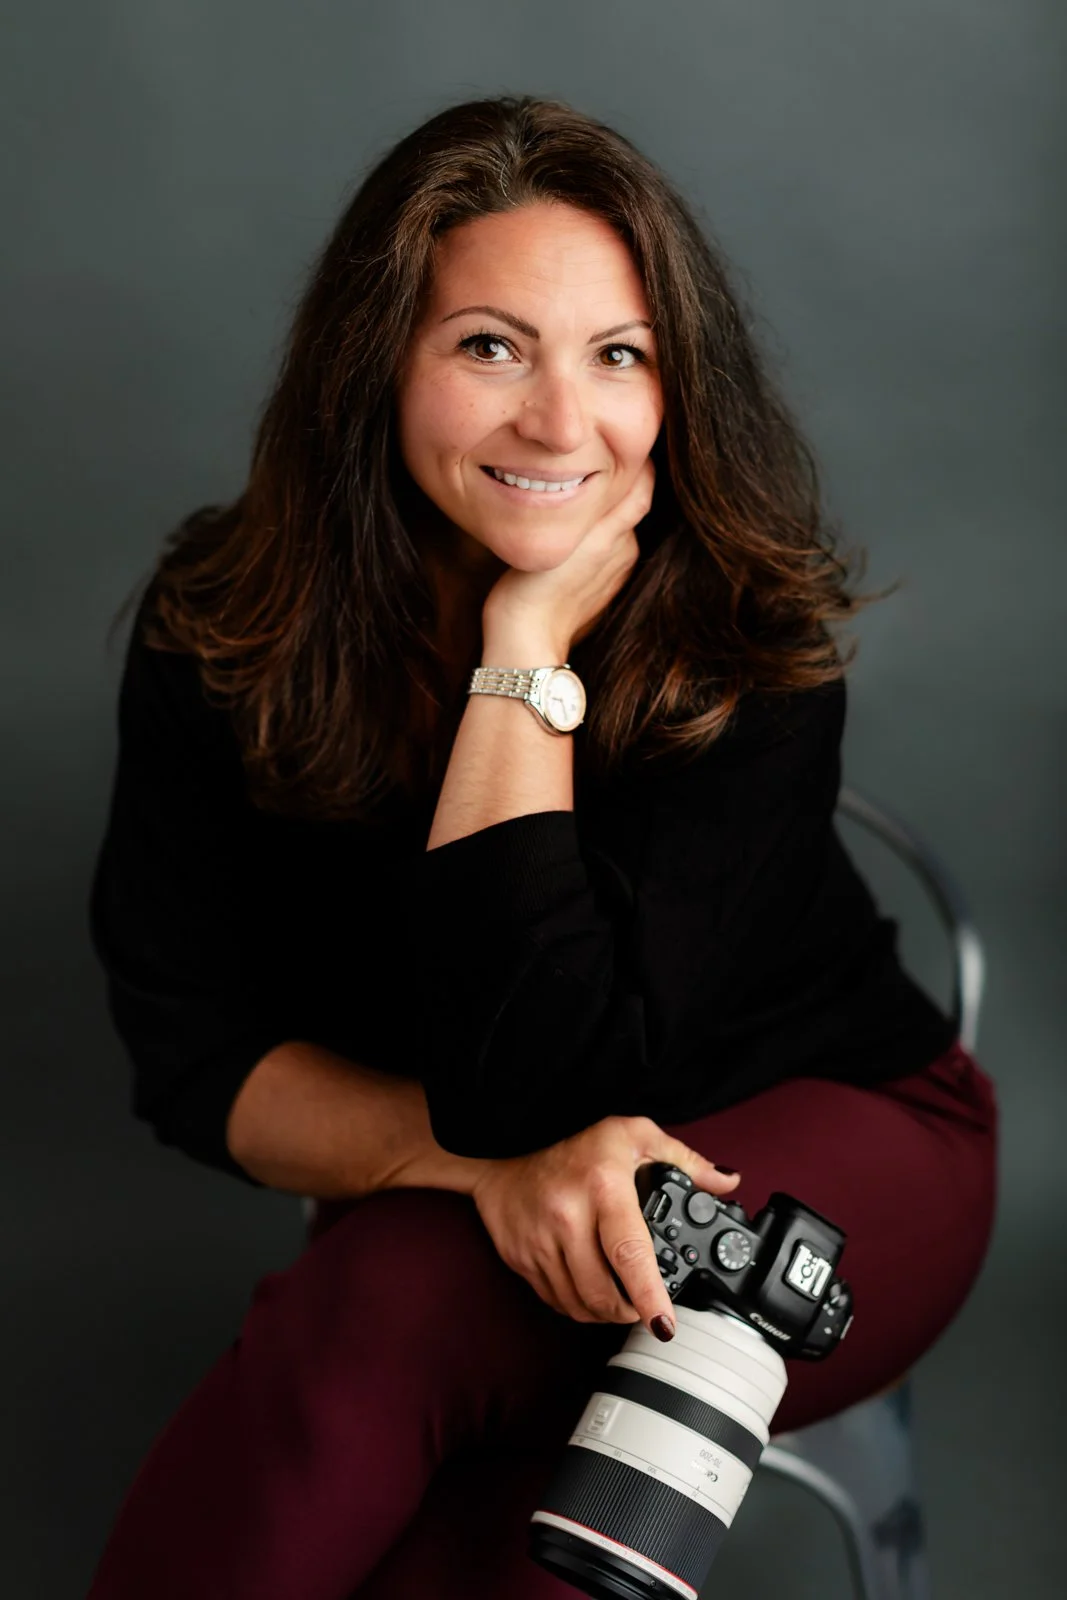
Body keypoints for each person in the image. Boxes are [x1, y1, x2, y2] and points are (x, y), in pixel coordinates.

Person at [85, 94, 998, 1600]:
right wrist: (473, 1171)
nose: (559, 424)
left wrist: (520, 653)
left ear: (674, 386)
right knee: (451, 1461)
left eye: (617, 355)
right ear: (376, 361)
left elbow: (554, 1088)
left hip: (832, 1146)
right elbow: (197, 1059)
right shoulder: (226, 625)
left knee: (383, 1304)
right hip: (500, 1208)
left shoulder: (742, 641)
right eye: (489, 345)